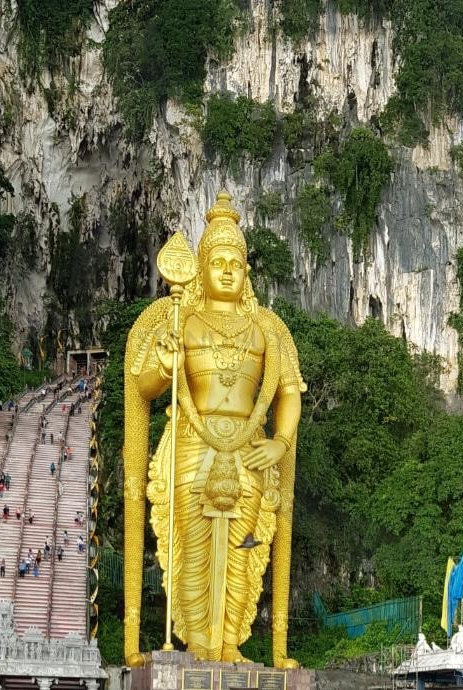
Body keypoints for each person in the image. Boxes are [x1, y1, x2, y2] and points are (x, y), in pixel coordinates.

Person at [121, 192, 305, 666]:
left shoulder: (267, 329)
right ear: (200, 269)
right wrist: (164, 364)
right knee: (193, 549)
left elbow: (288, 393)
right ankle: (197, 641)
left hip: (250, 448)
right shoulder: (181, 319)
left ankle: (229, 641)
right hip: (191, 444)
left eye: (235, 264)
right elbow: (143, 387)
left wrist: (281, 443)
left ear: (247, 274)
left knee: (244, 553)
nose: (226, 270)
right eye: (217, 261)